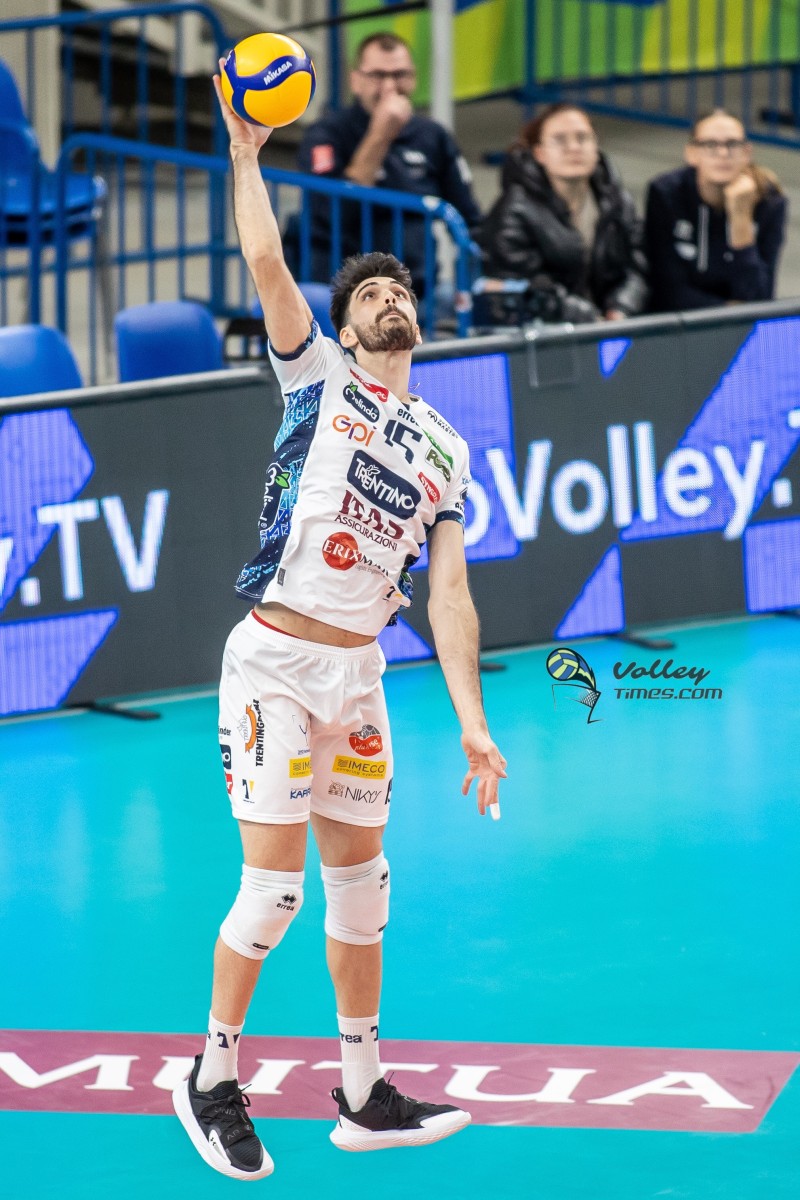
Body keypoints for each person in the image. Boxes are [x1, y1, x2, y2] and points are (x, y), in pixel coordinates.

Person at [171, 61, 508, 1183]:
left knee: (364, 889)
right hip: (274, 660)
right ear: (348, 328)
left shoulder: (446, 449)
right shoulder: (315, 376)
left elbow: (449, 595)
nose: (387, 299)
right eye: (368, 296)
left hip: (359, 679)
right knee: (273, 890)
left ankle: (363, 1092)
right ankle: (210, 1074)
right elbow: (267, 261)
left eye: (398, 290)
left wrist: (471, 721)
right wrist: (244, 153)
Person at [294, 32, 482, 302]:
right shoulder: (327, 132)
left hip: (416, 294)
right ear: (356, 81)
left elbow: (469, 217)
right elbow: (332, 213)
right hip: (342, 294)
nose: (390, 87)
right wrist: (381, 134)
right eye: (378, 75)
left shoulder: (433, 136)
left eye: (400, 75)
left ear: (414, 78)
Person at [476, 103, 648, 325]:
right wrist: (590, 319)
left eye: (582, 138)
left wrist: (621, 308)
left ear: (596, 147)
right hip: (548, 331)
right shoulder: (513, 211)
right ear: (539, 153)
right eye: (560, 140)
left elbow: (638, 265)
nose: (574, 148)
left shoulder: (619, 201)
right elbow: (525, 287)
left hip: (615, 324)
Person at [645, 109, 787, 312]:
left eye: (732, 144)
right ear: (691, 154)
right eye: (710, 145)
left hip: (742, 324)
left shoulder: (770, 203)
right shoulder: (665, 193)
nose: (723, 154)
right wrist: (725, 311)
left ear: (747, 153)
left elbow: (759, 298)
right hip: (679, 321)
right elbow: (666, 290)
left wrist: (741, 218)